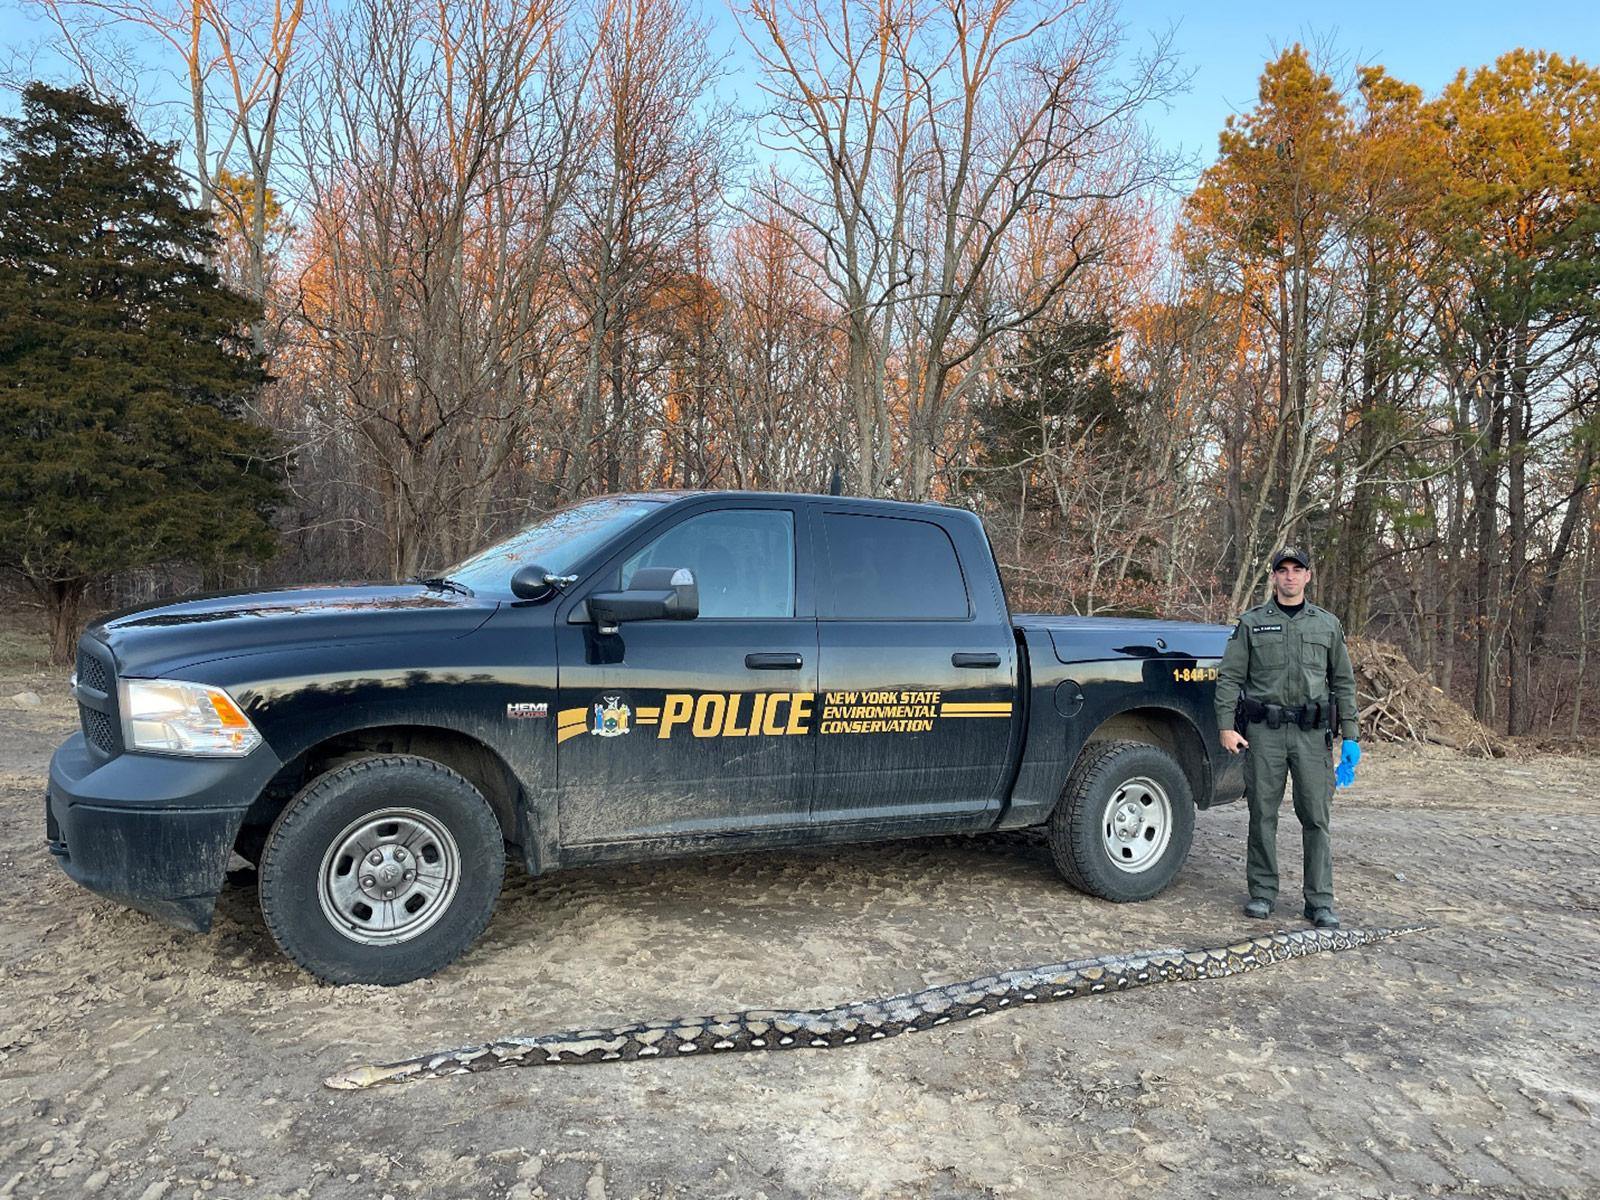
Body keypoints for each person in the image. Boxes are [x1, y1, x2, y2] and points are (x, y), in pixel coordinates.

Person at [1214, 546, 1359, 928]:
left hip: (1313, 736)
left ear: (1308, 576)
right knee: (1262, 813)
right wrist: (1226, 725)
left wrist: (1352, 737)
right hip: (1266, 734)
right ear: (1274, 577)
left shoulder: (1327, 625)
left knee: (1316, 817)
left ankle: (1320, 901)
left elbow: (1343, 682)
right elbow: (1230, 676)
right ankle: (1262, 893)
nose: (1290, 576)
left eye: (1298, 570)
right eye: (1283, 570)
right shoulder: (1251, 623)